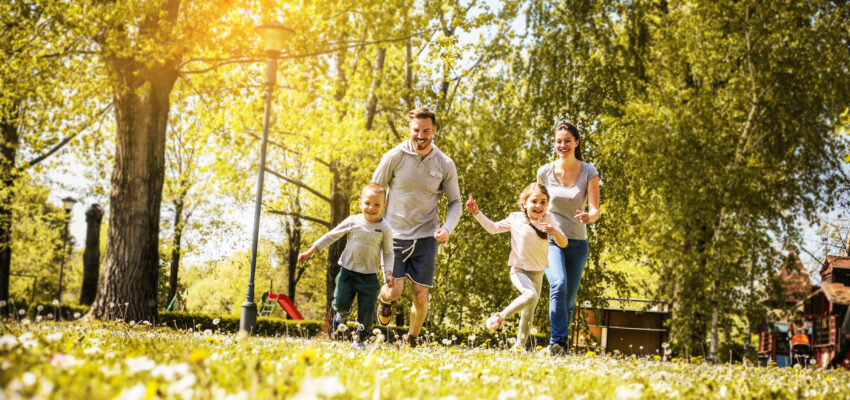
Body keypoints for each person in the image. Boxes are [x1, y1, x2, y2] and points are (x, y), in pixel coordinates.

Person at [371, 107, 461, 347]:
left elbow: (455, 203)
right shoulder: (394, 157)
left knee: (421, 294)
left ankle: (411, 339)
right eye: (416, 131)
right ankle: (385, 299)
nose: (421, 136)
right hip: (394, 235)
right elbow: (375, 190)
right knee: (395, 291)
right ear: (410, 130)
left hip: (426, 237)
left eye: (426, 131)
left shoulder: (445, 164)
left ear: (434, 131)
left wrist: (448, 228)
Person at [466, 183, 567, 351]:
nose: (539, 206)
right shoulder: (515, 218)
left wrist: (555, 232)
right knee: (531, 295)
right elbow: (493, 228)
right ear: (524, 203)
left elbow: (563, 243)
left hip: (538, 272)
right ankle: (500, 316)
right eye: (534, 201)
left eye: (543, 202)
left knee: (528, 313)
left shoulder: (549, 219)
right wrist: (477, 213)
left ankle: (519, 347)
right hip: (519, 270)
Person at [297, 183, 393, 350]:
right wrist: (309, 251)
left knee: (367, 311)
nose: (371, 207)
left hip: (369, 276)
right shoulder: (353, 221)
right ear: (360, 203)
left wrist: (389, 273)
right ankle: (342, 314)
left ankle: (359, 340)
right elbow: (330, 236)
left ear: (384, 206)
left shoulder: (385, 228)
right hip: (347, 273)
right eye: (367, 203)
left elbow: (388, 252)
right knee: (341, 303)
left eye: (377, 204)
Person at [536, 121, 600, 354]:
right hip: (551, 239)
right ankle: (558, 342)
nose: (562, 145)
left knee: (569, 299)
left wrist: (589, 217)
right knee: (558, 284)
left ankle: (561, 346)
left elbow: (595, 209)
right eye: (558, 141)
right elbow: (536, 203)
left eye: (567, 141)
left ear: (576, 142)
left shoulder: (588, 171)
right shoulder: (544, 172)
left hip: (577, 243)